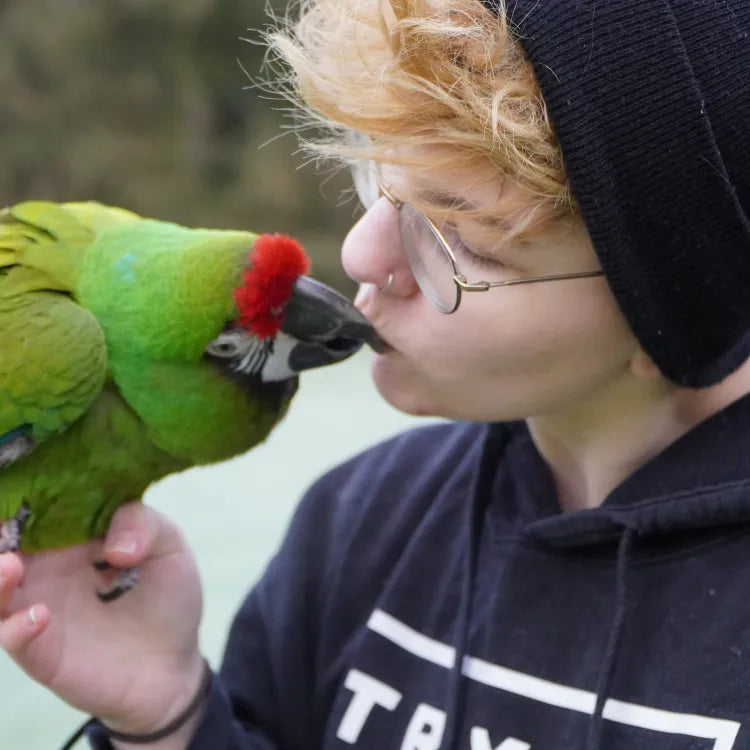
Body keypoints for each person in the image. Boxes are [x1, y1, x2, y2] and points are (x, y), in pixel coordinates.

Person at [2, 0, 750, 747]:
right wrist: (170, 718)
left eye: (465, 243)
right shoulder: (359, 518)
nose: (361, 255)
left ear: (673, 307)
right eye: (378, 176)